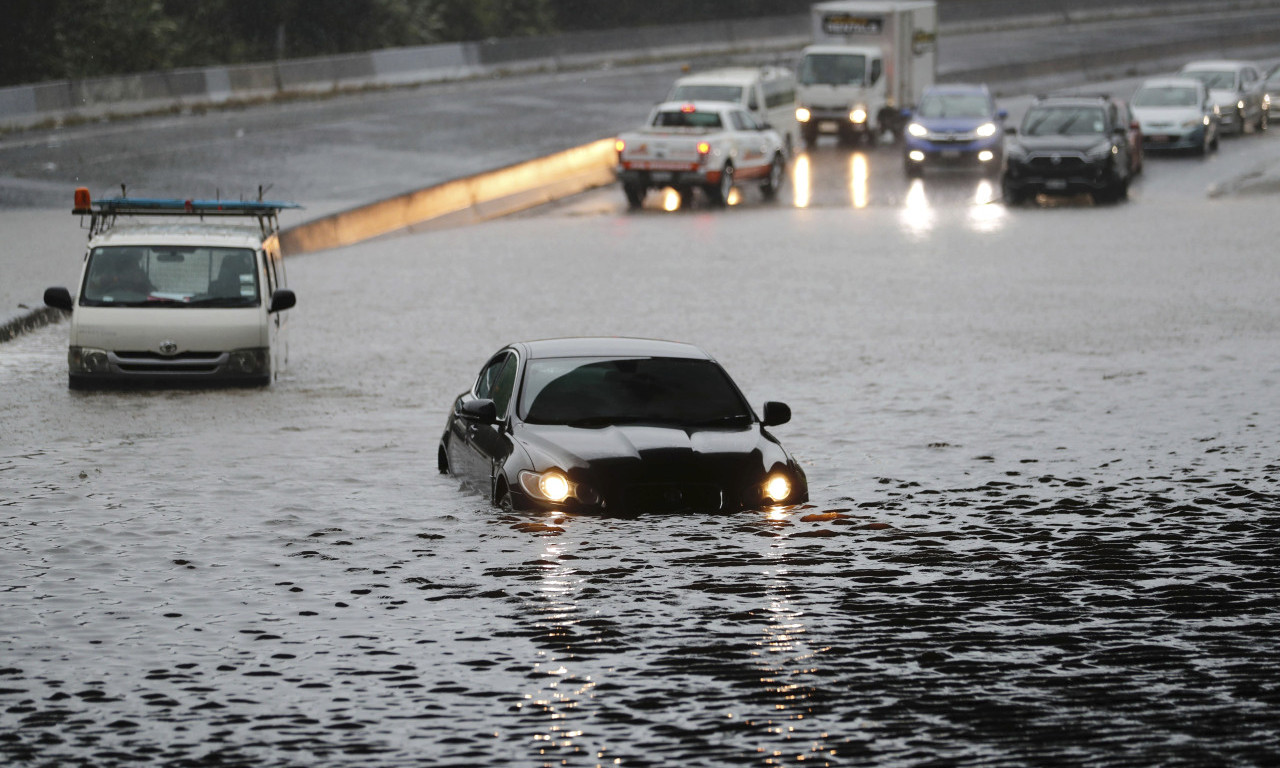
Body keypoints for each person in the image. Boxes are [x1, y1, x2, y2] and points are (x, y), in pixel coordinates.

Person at [87, 249, 152, 297]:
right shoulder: (108, 277)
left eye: (134, 264)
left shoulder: (141, 276)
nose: (132, 268)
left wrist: (141, 283)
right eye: (128, 264)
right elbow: (92, 287)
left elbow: (152, 291)